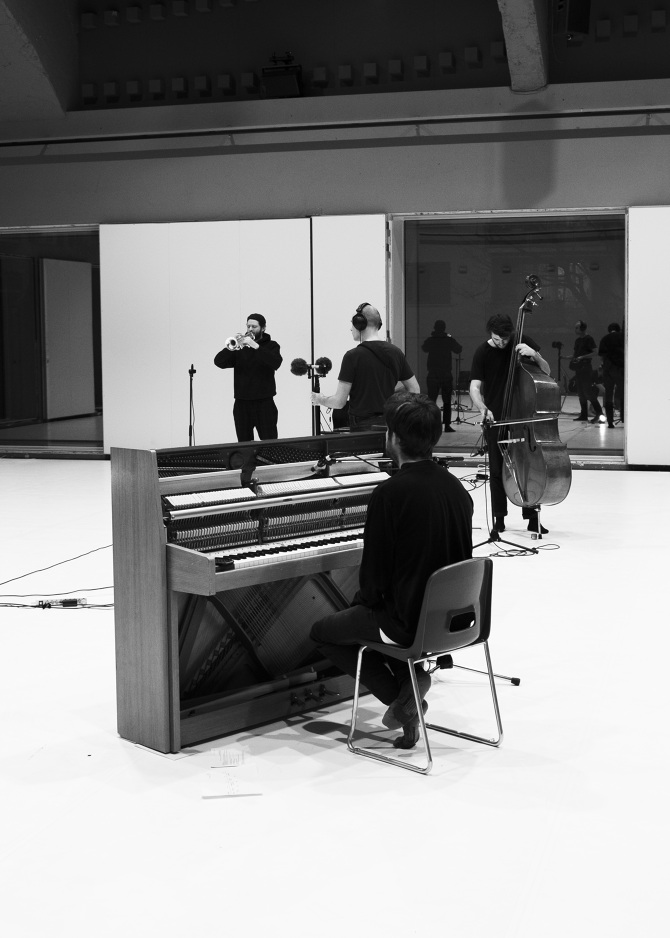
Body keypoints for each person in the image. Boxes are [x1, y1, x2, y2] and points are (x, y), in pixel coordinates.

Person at [310, 392, 473, 749]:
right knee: (375, 616)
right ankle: (410, 681)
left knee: (324, 632)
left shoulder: (390, 493)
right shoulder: (457, 487)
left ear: (394, 438)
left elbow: (374, 577)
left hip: (407, 623)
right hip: (454, 620)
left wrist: (360, 605)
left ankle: (404, 699)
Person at [469, 313, 551, 536]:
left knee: (527, 467)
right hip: (495, 418)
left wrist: (535, 355)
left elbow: (547, 372)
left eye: (505, 339)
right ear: (491, 333)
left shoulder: (522, 341)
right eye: (497, 339)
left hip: (522, 417)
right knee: (496, 470)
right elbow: (475, 387)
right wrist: (482, 408)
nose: (502, 343)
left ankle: (532, 518)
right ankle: (499, 519)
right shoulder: (482, 352)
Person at [310, 302, 419, 431]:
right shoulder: (396, 353)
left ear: (360, 324)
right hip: (390, 425)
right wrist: (392, 398)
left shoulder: (352, 356)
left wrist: (320, 399)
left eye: (352, 324)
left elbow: (339, 402)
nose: (351, 329)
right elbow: (414, 389)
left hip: (361, 428)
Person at [214, 313, 282, 442]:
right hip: (242, 404)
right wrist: (232, 347)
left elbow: (276, 363)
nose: (250, 329)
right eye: (248, 326)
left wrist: (255, 345)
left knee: (270, 443)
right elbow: (219, 362)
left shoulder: (272, 345)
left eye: (254, 327)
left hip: (264, 403)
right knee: (244, 444)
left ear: (263, 328)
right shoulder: (240, 348)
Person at [421, 319, 463, 432]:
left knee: (431, 400)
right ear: (444, 328)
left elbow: (424, 348)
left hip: (433, 373)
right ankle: (447, 425)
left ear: (435, 328)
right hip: (446, 373)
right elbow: (459, 349)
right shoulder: (448, 340)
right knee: (447, 401)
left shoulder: (431, 340)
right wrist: (449, 337)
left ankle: (431, 424)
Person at [570, 320, 603, 423]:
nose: (575, 329)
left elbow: (595, 352)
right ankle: (583, 414)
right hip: (579, 368)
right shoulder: (577, 340)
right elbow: (575, 355)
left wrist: (582, 357)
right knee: (580, 392)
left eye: (577, 327)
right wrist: (565, 357)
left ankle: (599, 413)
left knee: (588, 392)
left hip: (586, 368)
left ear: (582, 328)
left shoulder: (589, 339)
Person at [598, 322, 624, 428]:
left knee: (609, 394)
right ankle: (623, 416)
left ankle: (609, 421)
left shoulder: (605, 338)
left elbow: (601, 355)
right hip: (620, 368)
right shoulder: (622, 337)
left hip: (608, 369)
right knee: (623, 391)